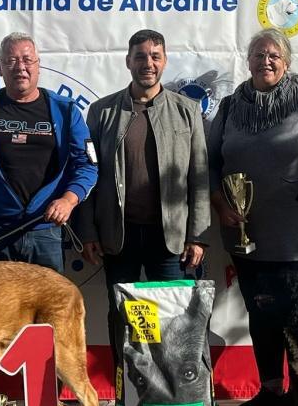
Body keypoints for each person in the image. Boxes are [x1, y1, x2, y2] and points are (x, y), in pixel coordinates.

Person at [208, 28, 298, 406]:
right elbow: (211, 163)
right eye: (257, 55)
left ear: (286, 62)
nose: (264, 61)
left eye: (273, 55)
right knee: (260, 313)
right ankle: (271, 391)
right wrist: (220, 204)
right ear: (247, 60)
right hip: (246, 231)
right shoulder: (231, 106)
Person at [75, 29, 210, 367]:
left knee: (175, 315)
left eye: (155, 56)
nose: (147, 63)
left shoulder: (187, 111)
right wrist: (88, 232)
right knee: (122, 315)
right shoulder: (102, 112)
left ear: (164, 61)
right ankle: (127, 388)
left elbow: (200, 176)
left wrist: (198, 235)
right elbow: (89, 174)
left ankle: (174, 391)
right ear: (128, 61)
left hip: (171, 238)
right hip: (118, 236)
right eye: (140, 56)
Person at [0, 32, 97, 271]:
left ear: (38, 65)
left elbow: (87, 165)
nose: (20, 67)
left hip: (44, 232)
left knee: (48, 309)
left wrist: (68, 200)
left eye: (27, 60)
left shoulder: (65, 111)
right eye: (11, 61)